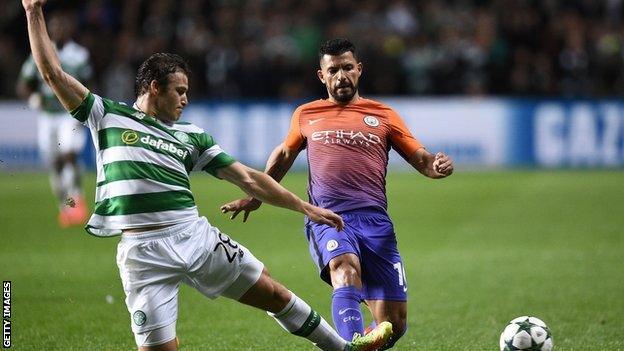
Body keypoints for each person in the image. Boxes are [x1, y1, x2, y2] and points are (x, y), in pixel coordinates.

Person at [21, 2, 394, 350]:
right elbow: (52, 74)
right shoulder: (106, 115)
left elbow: (248, 178)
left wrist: (304, 208)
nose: (185, 100)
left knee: (275, 295)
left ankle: (344, 347)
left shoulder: (191, 135)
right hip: (142, 254)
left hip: (194, 237)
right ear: (154, 87)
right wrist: (33, 9)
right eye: (179, 92)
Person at [222, 38, 454, 350]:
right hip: (327, 216)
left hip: (375, 221)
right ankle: (350, 344)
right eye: (333, 70)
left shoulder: (383, 114)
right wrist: (256, 196)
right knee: (344, 268)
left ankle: (363, 341)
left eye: (347, 68)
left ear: (359, 70)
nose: (341, 75)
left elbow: (422, 159)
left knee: (393, 324)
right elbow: (282, 157)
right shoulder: (307, 114)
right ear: (322, 76)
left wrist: (436, 166)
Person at [17, 9, 91, 228]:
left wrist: (85, 108)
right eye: (55, 26)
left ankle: (76, 198)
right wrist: (32, 98)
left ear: (70, 29)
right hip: (47, 116)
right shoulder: (39, 52)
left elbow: (89, 82)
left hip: (69, 114)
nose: (58, 30)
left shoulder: (79, 55)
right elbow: (23, 83)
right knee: (55, 163)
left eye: (62, 26)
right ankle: (65, 205)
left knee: (69, 155)